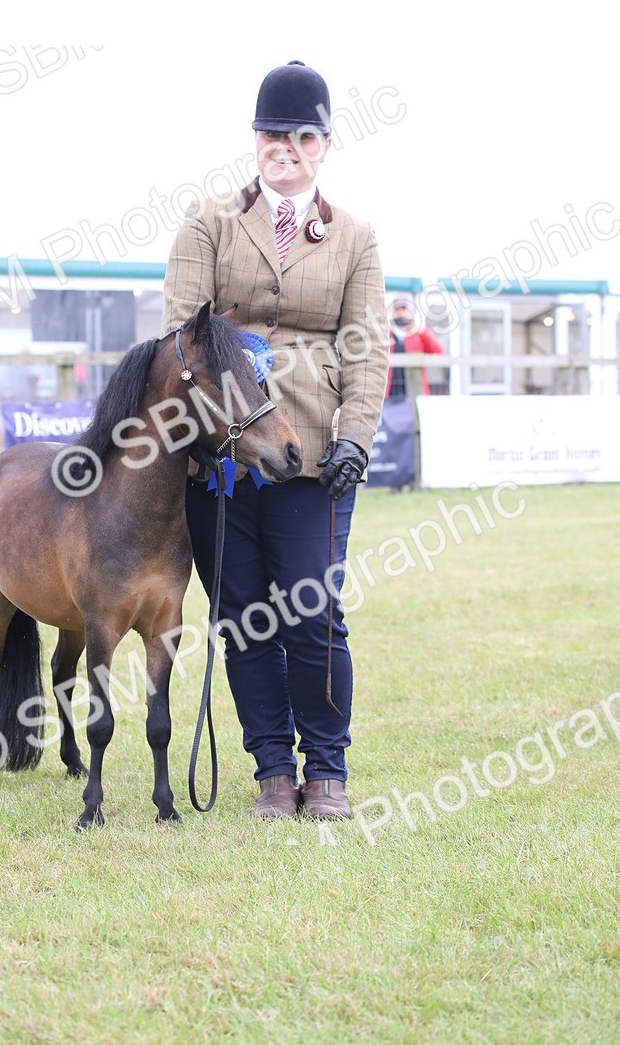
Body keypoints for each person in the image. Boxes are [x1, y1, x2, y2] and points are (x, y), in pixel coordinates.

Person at [161, 60, 389, 819]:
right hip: (221, 462)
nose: (283, 145)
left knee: (312, 613)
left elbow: (367, 347)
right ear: (255, 140)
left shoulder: (355, 238)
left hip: (311, 455)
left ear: (323, 144)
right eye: (271, 132)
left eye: (300, 134)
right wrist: (210, 437)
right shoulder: (208, 223)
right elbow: (180, 337)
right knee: (243, 619)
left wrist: (355, 435)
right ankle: (272, 773)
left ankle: (327, 771)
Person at [385, 297, 444, 399]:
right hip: (389, 394)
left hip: (413, 394)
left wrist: (420, 330)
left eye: (404, 309)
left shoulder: (418, 334)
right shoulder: (386, 333)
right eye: (397, 309)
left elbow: (438, 350)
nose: (400, 312)